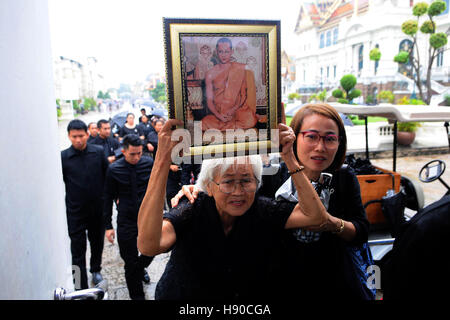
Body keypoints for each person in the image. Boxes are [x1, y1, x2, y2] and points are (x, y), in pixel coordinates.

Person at [173, 103, 372, 300]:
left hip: (333, 282)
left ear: (339, 143)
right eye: (311, 136)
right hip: (281, 282)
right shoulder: (273, 174)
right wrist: (198, 191)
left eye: (330, 139)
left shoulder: (343, 177)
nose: (320, 147)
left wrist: (330, 223)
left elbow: (361, 231)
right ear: (294, 136)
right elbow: (239, 201)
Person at [136, 119, 329, 300]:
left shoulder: (262, 209)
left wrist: (290, 158)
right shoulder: (193, 209)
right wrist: (162, 160)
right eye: (227, 182)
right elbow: (148, 245)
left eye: (246, 180)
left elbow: (316, 216)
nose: (238, 192)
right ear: (208, 186)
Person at [103, 134, 155, 300]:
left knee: (153, 249)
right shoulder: (114, 169)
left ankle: (139, 269)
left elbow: (156, 188)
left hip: (147, 216)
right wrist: (108, 226)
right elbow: (107, 197)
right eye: (133, 154)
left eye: (139, 153)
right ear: (124, 151)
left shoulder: (148, 163)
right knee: (129, 260)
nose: (137, 157)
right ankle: (137, 296)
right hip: (126, 219)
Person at [61, 119, 108, 290]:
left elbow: (107, 177)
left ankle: (96, 269)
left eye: (81, 136)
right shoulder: (63, 158)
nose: (78, 140)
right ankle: (79, 284)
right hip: (76, 212)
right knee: (77, 250)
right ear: (69, 136)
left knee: (97, 243)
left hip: (97, 209)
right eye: (74, 136)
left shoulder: (98, 152)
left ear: (87, 135)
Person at [201, 37, 258, 131]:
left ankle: (225, 127)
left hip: (237, 112)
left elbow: (243, 96)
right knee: (204, 123)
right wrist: (219, 116)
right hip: (219, 113)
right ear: (216, 52)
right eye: (220, 51)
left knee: (250, 120)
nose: (223, 55)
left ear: (231, 51)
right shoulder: (210, 73)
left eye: (226, 51)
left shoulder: (240, 69)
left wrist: (233, 110)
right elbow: (209, 102)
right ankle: (230, 126)